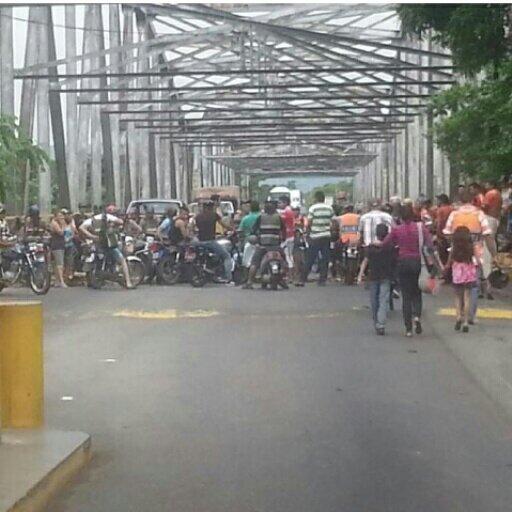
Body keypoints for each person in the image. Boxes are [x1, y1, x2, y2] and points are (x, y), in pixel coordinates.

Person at [380, 204, 435, 337]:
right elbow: (430, 245)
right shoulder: (420, 228)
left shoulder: (397, 230)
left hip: (403, 262)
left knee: (406, 295)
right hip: (418, 262)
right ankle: (417, 316)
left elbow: (386, 243)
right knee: (417, 292)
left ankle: (408, 329)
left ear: (401, 217)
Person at [443, 190, 497, 321]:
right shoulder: (479, 214)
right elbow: (488, 235)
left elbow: (446, 232)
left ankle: (460, 312)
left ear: (460, 200)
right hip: (475, 254)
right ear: (473, 200)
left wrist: (455, 241)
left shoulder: (454, 214)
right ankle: (471, 315)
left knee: (458, 284)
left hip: (457, 254)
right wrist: (494, 253)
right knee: (473, 285)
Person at [79, 205, 134, 288]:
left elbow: (81, 227)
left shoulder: (92, 220)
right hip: (109, 244)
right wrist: (112, 225)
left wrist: (91, 236)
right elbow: (121, 222)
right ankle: (128, 282)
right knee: (122, 260)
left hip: (97, 243)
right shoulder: (108, 217)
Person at [358, 223, 395, 335]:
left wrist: (360, 274)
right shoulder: (390, 247)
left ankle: (376, 321)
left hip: (373, 277)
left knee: (374, 300)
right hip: (386, 277)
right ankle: (381, 324)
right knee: (383, 300)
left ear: (376, 234)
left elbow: (365, 261)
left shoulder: (370, 247)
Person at [244, 199, 287, 289]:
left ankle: (249, 282)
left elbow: (253, 230)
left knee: (254, 263)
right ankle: (283, 278)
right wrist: (283, 238)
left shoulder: (260, 217)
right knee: (284, 260)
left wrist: (255, 237)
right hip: (276, 246)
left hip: (263, 246)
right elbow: (284, 230)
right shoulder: (278, 217)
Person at [447, 226, 479, 333]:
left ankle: (458, 317)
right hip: (469, 270)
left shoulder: (454, 246)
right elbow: (477, 259)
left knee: (457, 296)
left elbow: (450, 260)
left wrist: (446, 267)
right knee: (467, 297)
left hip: (457, 270)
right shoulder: (471, 246)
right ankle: (465, 322)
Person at [192, 201, 232, 283]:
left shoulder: (198, 216)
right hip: (210, 242)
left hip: (199, 241)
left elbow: (191, 227)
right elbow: (223, 225)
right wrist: (232, 229)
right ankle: (228, 277)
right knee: (226, 256)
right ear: (211, 207)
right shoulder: (214, 215)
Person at [304, 191, 335, 286]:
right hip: (326, 236)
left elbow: (309, 222)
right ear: (323, 198)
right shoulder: (329, 208)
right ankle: (322, 280)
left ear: (316, 198)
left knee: (310, 258)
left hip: (315, 236)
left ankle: (303, 277)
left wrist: (308, 234)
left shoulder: (313, 208)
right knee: (325, 258)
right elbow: (333, 222)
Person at [49, 209, 68, 288]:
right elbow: (61, 232)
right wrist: (63, 225)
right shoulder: (54, 223)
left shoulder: (58, 223)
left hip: (60, 244)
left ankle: (57, 281)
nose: (62, 217)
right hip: (57, 245)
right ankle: (61, 281)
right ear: (55, 216)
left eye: (62, 216)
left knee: (57, 263)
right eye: (60, 216)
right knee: (60, 264)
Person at [435, 194, 454, 268]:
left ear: (441, 201)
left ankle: (446, 273)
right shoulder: (452, 209)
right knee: (451, 254)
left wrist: (438, 235)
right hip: (451, 235)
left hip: (442, 236)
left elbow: (439, 224)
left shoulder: (440, 210)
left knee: (443, 256)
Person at [278, 195, 296, 273]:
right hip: (288, 235)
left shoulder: (287, 211)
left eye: (280, 203)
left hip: (288, 236)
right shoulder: (288, 210)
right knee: (288, 255)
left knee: (288, 256)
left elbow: (280, 217)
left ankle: (291, 274)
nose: (278, 204)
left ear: (285, 203)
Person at [292, 206, 308, 286]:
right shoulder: (290, 218)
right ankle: (295, 277)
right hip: (293, 241)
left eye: (296, 210)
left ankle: (301, 277)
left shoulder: (302, 218)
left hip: (302, 241)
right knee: (295, 260)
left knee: (302, 260)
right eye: (294, 210)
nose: (295, 212)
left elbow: (306, 227)